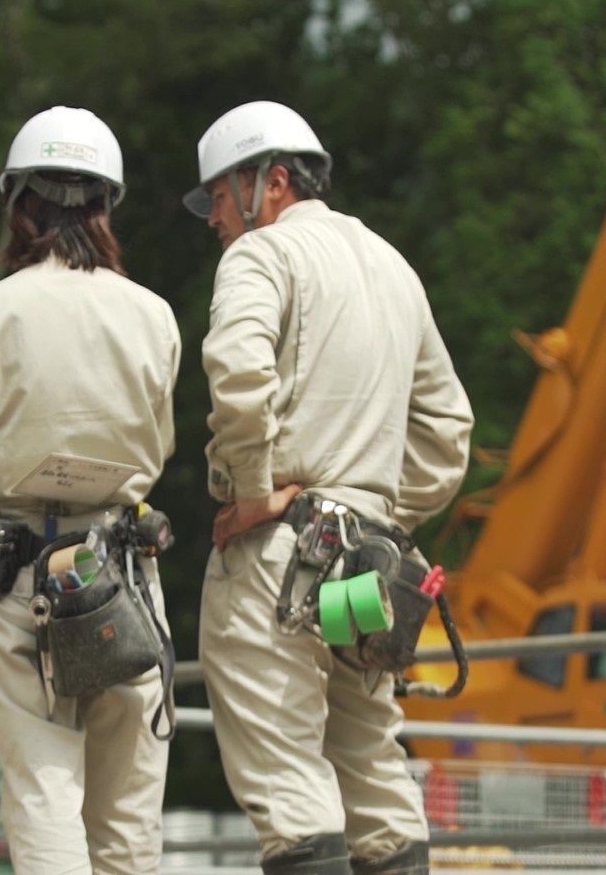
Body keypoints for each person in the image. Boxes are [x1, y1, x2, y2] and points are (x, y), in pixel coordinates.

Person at [188, 101, 474, 874]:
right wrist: (371, 505)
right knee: (370, 763)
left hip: (279, 561)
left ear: (271, 182)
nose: (214, 215)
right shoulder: (393, 266)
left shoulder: (261, 257)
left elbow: (240, 377)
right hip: (365, 570)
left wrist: (255, 490)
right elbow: (449, 433)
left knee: (289, 786)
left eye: (219, 194)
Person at [0, 106, 181, 875]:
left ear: (20, 204)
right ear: (105, 206)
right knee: (129, 808)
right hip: (121, 575)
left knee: (44, 793)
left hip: (19, 576)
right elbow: (157, 448)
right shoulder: (154, 317)